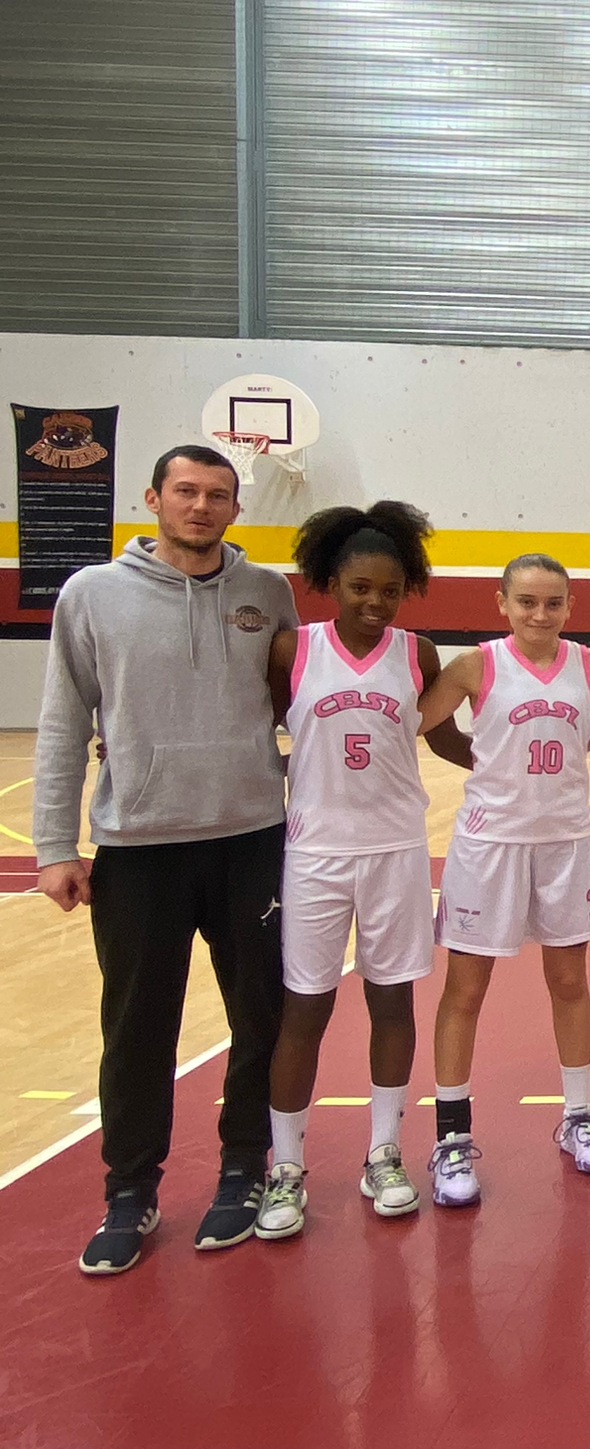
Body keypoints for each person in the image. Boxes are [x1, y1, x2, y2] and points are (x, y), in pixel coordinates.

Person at [36, 445, 299, 1274]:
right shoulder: (92, 594)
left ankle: (244, 1169)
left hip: (252, 840)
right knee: (138, 1027)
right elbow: (63, 721)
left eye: (217, 495)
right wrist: (54, 846)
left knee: (261, 1019)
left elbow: (297, 707)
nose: (200, 506)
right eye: (185, 491)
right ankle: (130, 1188)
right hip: (138, 847)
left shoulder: (267, 593)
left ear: (235, 509)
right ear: (153, 498)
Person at [254, 503, 474, 1240]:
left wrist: (519, 760)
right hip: (315, 853)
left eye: (389, 590)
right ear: (331, 582)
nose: (375, 602)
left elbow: (443, 740)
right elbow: (262, 728)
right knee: (304, 1011)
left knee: (392, 1004)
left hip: (396, 851)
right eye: (360, 588)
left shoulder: (419, 654)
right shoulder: (293, 648)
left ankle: (384, 1153)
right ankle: (286, 1167)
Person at [417, 555, 590, 1202]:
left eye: (553, 602)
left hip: (564, 843)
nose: (540, 614)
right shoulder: (475, 665)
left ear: (570, 607)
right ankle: (451, 1138)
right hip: (489, 846)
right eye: (527, 602)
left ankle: (577, 1117)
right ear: (502, 603)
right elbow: (415, 723)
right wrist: (486, 759)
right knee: (466, 989)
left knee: (569, 982)